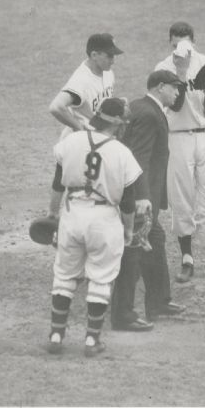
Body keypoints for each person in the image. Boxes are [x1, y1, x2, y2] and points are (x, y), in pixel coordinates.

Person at [46, 97, 142, 357]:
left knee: (64, 276)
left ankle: (56, 335)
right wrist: (129, 230)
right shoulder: (123, 153)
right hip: (103, 219)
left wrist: (53, 215)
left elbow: (57, 185)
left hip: (72, 213)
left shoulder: (71, 141)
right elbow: (129, 201)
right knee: (100, 278)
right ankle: (91, 341)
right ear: (117, 124)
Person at [154, 21, 205, 285]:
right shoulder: (162, 70)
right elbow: (176, 106)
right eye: (175, 42)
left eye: (184, 42)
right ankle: (187, 259)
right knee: (182, 198)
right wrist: (179, 73)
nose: (180, 47)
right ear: (170, 43)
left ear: (193, 41)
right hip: (177, 139)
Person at [111, 70, 187, 331]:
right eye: (174, 88)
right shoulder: (148, 113)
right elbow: (138, 159)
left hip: (142, 195)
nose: (178, 93)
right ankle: (124, 314)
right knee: (134, 250)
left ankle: (158, 301)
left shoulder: (142, 108)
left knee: (155, 240)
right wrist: (142, 198)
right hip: (139, 197)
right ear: (160, 87)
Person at [46, 33, 124, 219]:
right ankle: (52, 217)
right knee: (64, 177)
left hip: (100, 136)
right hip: (80, 139)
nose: (113, 60)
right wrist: (79, 128)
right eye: (109, 56)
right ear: (94, 54)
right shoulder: (81, 80)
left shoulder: (107, 73)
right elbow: (56, 107)